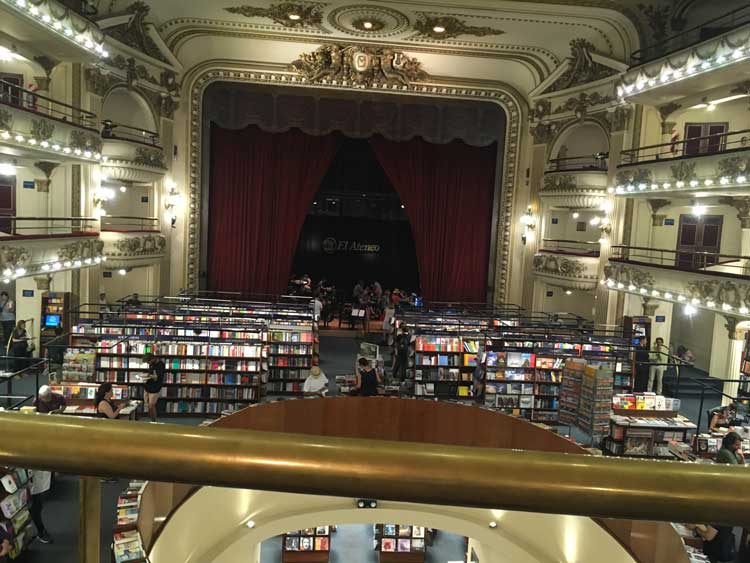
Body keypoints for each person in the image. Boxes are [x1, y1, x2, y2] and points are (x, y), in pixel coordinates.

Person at [29, 469, 52, 543]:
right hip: (37, 481)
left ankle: (41, 532)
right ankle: (41, 532)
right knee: (34, 508)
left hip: (39, 483)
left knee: (36, 509)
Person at [142, 353, 165, 422]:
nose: (148, 363)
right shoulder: (151, 364)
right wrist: (146, 376)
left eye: (148, 361)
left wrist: (148, 376)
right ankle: (152, 420)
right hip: (148, 386)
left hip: (155, 388)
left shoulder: (161, 365)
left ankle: (154, 421)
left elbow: (158, 377)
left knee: (151, 405)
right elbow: (150, 373)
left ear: (152, 358)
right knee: (148, 405)